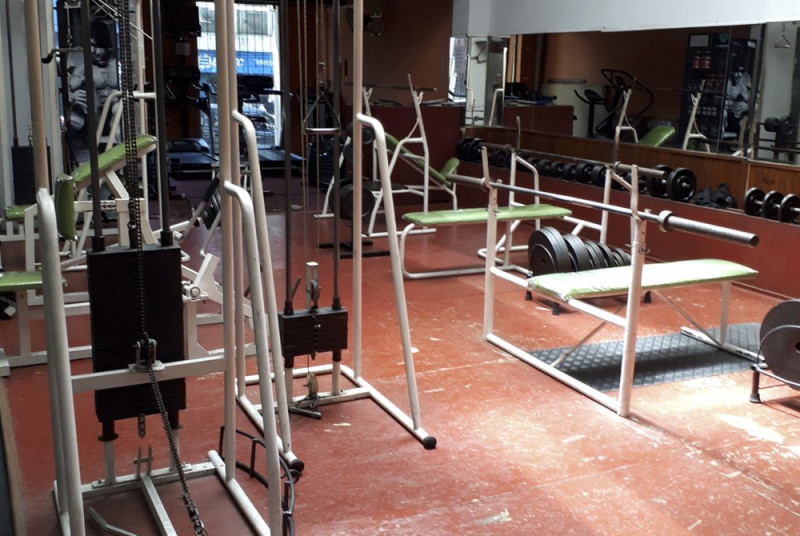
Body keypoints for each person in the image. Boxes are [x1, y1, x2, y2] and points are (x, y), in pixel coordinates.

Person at [65, 18, 119, 153]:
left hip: (116, 113)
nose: (95, 52)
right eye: (91, 46)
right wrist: (72, 96)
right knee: (75, 119)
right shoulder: (85, 67)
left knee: (118, 109)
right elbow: (70, 86)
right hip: (95, 116)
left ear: (107, 46)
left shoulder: (118, 64)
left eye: (98, 46)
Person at [724, 64, 751, 138]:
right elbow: (724, 100)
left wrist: (747, 106)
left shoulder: (747, 85)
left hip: (742, 117)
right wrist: (729, 104)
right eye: (737, 72)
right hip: (730, 116)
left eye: (741, 72)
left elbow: (757, 105)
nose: (739, 75)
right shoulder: (728, 84)